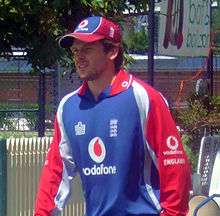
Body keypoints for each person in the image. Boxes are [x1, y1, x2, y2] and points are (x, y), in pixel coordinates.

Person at [34, 16, 191, 216]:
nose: (78, 57)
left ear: (112, 51)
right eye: (75, 51)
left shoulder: (143, 97)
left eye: (87, 49)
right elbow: (55, 172)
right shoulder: (68, 107)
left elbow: (174, 166)